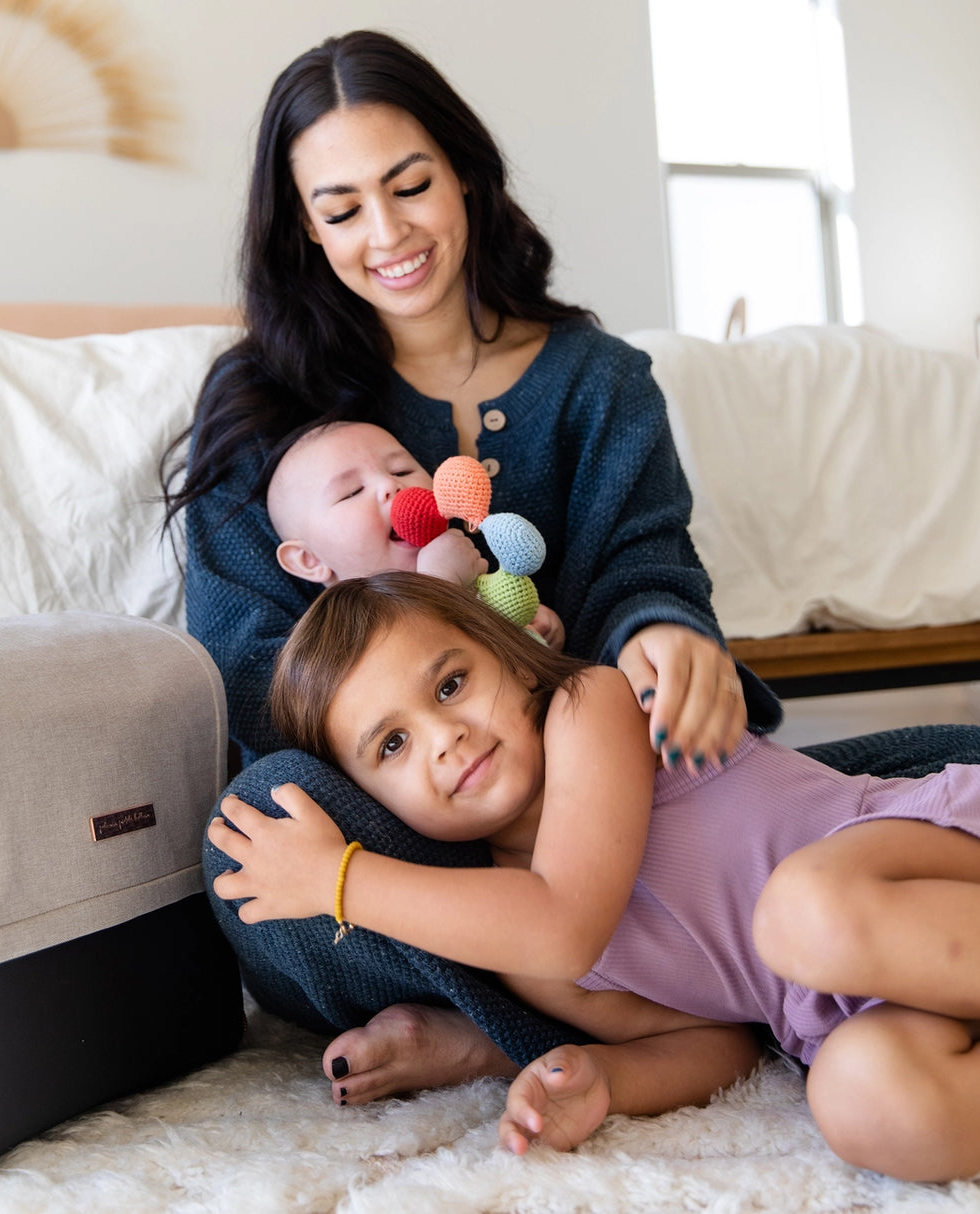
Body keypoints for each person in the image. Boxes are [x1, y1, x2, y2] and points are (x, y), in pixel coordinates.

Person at [168, 29, 980, 1107]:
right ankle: (535, 1003)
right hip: (408, 812)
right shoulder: (264, 411)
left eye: (409, 186)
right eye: (341, 207)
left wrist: (661, 635)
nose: (388, 232)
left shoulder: (596, 378)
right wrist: (424, 675)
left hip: (617, 779)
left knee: (921, 759)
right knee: (263, 814)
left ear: (464, 172)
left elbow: (644, 565)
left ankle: (567, 1003)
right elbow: (248, 668)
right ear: (303, 231)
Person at [209, 572, 980, 1183]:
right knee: (862, 1102)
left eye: (450, 686)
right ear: (380, 808)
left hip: (928, 863)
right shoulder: (525, 960)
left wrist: (338, 879)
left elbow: (564, 921)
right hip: (872, 1005)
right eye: (393, 747)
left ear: (513, 662)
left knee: (803, 915)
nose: (447, 737)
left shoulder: (592, 707)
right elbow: (718, 1042)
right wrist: (607, 1078)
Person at [266, 418, 563, 645]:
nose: (390, 486)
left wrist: (525, 631)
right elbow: (413, 670)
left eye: (401, 471)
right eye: (352, 492)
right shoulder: (336, 636)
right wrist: (440, 584)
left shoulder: (475, 579)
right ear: (309, 559)